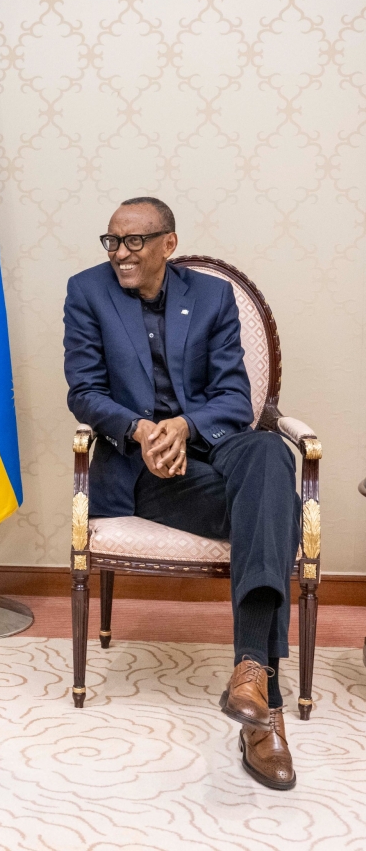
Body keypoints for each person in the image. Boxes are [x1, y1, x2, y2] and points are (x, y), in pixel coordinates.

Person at [63, 196, 300, 790]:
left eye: (135, 242)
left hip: (211, 448)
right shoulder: (87, 293)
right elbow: (84, 391)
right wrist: (144, 430)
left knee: (271, 452)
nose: (120, 253)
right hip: (144, 471)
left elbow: (233, 398)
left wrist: (183, 426)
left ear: (168, 243)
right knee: (275, 510)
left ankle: (249, 672)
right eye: (112, 241)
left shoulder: (213, 296)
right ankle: (263, 710)